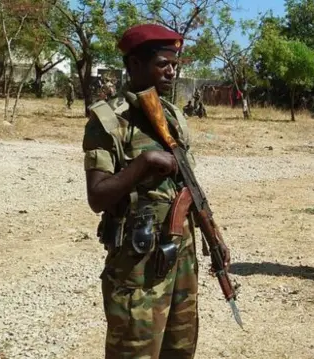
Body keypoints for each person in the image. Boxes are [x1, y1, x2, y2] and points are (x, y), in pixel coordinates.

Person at [82, 23, 231, 358]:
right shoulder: (108, 121)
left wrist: (214, 236)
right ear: (134, 64)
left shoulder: (173, 116)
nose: (172, 71)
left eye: (175, 64)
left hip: (181, 256)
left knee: (179, 348)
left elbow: (189, 187)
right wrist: (144, 162)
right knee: (135, 349)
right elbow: (98, 195)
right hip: (139, 263)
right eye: (163, 63)